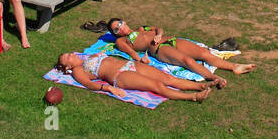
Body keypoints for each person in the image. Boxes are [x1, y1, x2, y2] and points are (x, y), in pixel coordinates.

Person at [108, 18, 256, 87]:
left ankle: (234, 66)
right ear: (115, 33)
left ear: (124, 22)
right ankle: (213, 77)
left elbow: (158, 29)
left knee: (203, 53)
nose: (120, 28)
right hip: (158, 49)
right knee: (187, 61)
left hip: (171, 40)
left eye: (120, 24)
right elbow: (132, 53)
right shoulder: (121, 41)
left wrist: (159, 34)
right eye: (116, 29)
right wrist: (141, 59)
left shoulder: (141, 28)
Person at [54, 52, 212, 103]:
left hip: (129, 64)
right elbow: (89, 84)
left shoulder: (87, 56)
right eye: (67, 58)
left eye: (68, 54)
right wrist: (108, 88)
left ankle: (201, 86)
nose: (71, 55)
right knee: (157, 86)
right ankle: (193, 97)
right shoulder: (77, 71)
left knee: (168, 79)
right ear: (68, 67)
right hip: (121, 76)